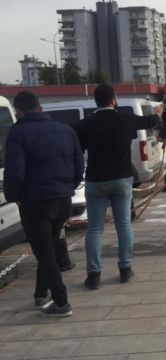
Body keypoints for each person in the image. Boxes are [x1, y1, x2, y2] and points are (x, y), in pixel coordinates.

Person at [4, 91, 84, 317]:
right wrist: (67, 187)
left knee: (45, 253)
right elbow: (79, 165)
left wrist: (14, 197)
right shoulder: (66, 130)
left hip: (34, 203)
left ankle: (61, 302)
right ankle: (40, 294)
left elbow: (15, 173)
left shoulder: (17, 133)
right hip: (62, 201)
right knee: (46, 247)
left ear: (18, 111)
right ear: (40, 108)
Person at [76, 84, 163, 290]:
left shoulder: (86, 124)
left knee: (95, 228)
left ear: (95, 101)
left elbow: (78, 147)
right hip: (122, 179)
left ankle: (94, 275)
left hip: (95, 180)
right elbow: (149, 121)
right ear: (113, 99)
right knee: (123, 225)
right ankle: (125, 269)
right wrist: (158, 113)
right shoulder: (126, 119)